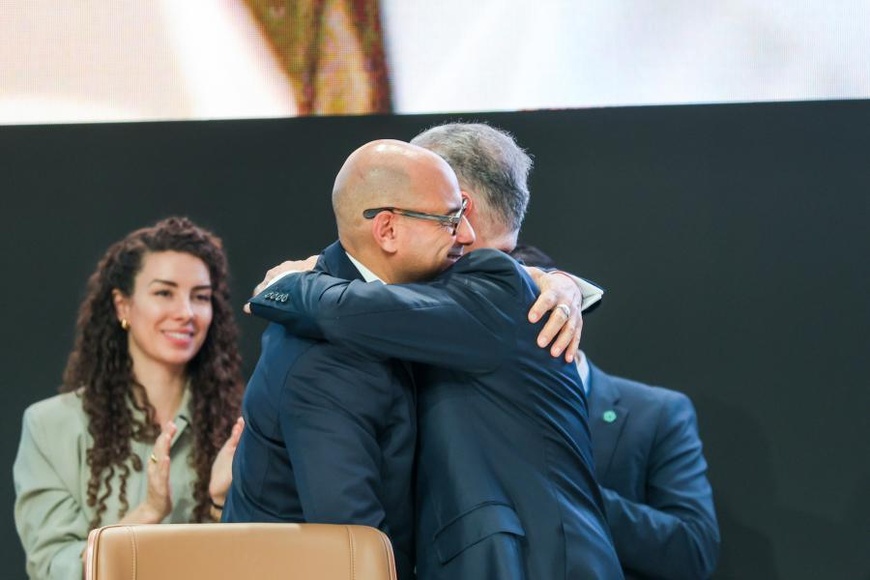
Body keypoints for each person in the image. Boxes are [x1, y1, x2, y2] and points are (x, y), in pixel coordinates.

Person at [247, 134, 623, 578]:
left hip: (529, 561)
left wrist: (284, 285)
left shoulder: (494, 287)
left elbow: (342, 310)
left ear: (462, 200)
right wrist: (561, 280)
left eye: (454, 210)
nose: (459, 231)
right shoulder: (489, 293)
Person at [13, 216, 246, 580]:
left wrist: (219, 503)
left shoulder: (241, 426)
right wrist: (148, 514)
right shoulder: (50, 426)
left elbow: (261, 563)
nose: (186, 312)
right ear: (123, 306)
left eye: (200, 297)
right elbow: (52, 568)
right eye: (164, 293)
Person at [511, 242, 721, 579]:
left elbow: (693, 549)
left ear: (563, 313)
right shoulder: (453, 406)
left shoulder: (656, 414)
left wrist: (570, 490)